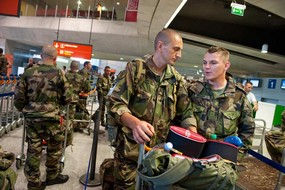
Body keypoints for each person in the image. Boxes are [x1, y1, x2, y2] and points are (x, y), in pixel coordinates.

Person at [106, 28, 196, 189]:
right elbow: (115, 102)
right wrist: (135, 123)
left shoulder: (177, 79)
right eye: (176, 49)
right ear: (160, 46)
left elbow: (186, 112)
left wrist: (191, 131)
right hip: (130, 152)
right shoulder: (136, 69)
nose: (180, 55)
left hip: (159, 155)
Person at [14, 44, 72, 190]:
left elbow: (18, 96)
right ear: (56, 58)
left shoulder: (28, 72)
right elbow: (67, 97)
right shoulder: (60, 73)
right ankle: (52, 176)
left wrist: (24, 109)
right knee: (54, 147)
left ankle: (33, 183)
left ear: (41, 56)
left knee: (34, 149)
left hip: (32, 118)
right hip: (53, 117)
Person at [187, 46, 255, 157]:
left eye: (213, 63)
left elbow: (248, 130)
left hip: (222, 158)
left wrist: (235, 157)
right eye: (205, 63)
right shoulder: (194, 91)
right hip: (192, 153)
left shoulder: (238, 96)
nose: (207, 67)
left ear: (226, 65)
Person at [64, 60, 91, 142]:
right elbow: (88, 89)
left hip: (63, 99)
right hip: (74, 100)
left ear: (70, 66)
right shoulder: (81, 77)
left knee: (62, 116)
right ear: (77, 68)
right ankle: (68, 136)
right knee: (70, 118)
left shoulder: (64, 75)